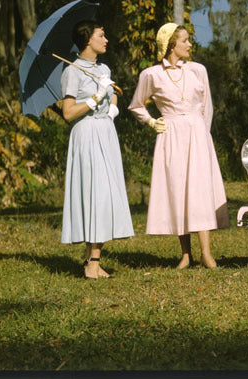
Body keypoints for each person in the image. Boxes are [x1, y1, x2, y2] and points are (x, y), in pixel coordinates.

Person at [128, 23, 228, 269]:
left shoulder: (197, 70)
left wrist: (204, 134)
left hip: (197, 134)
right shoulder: (151, 74)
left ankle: (206, 253)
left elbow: (207, 106)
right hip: (171, 135)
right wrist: (152, 122)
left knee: (199, 190)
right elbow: (136, 105)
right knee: (178, 189)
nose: (189, 45)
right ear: (171, 44)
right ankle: (186, 254)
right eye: (184, 40)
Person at [60, 20, 134, 279]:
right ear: (87, 39)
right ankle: (92, 263)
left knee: (105, 195)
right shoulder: (73, 71)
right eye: (101, 36)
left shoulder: (103, 68)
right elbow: (68, 113)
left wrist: (112, 106)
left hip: (105, 131)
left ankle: (93, 260)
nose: (106, 40)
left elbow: (113, 92)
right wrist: (94, 98)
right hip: (87, 133)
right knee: (94, 194)